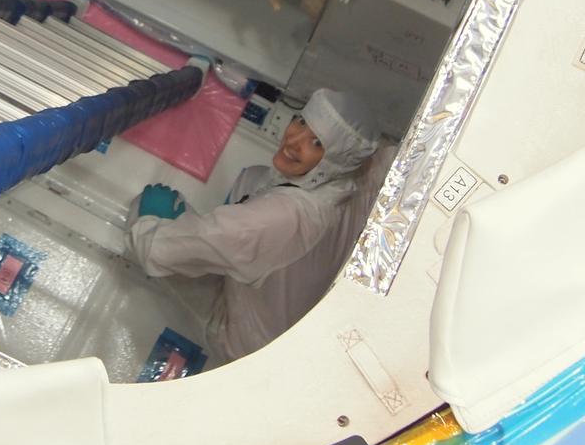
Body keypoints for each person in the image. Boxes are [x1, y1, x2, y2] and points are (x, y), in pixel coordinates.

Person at [125, 89, 395, 363]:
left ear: (335, 161)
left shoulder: (279, 218)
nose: (293, 140)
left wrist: (147, 217)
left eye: (316, 143)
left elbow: (157, 252)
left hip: (247, 342)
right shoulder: (355, 178)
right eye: (301, 122)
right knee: (254, 178)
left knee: (159, 225)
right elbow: (387, 156)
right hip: (285, 319)